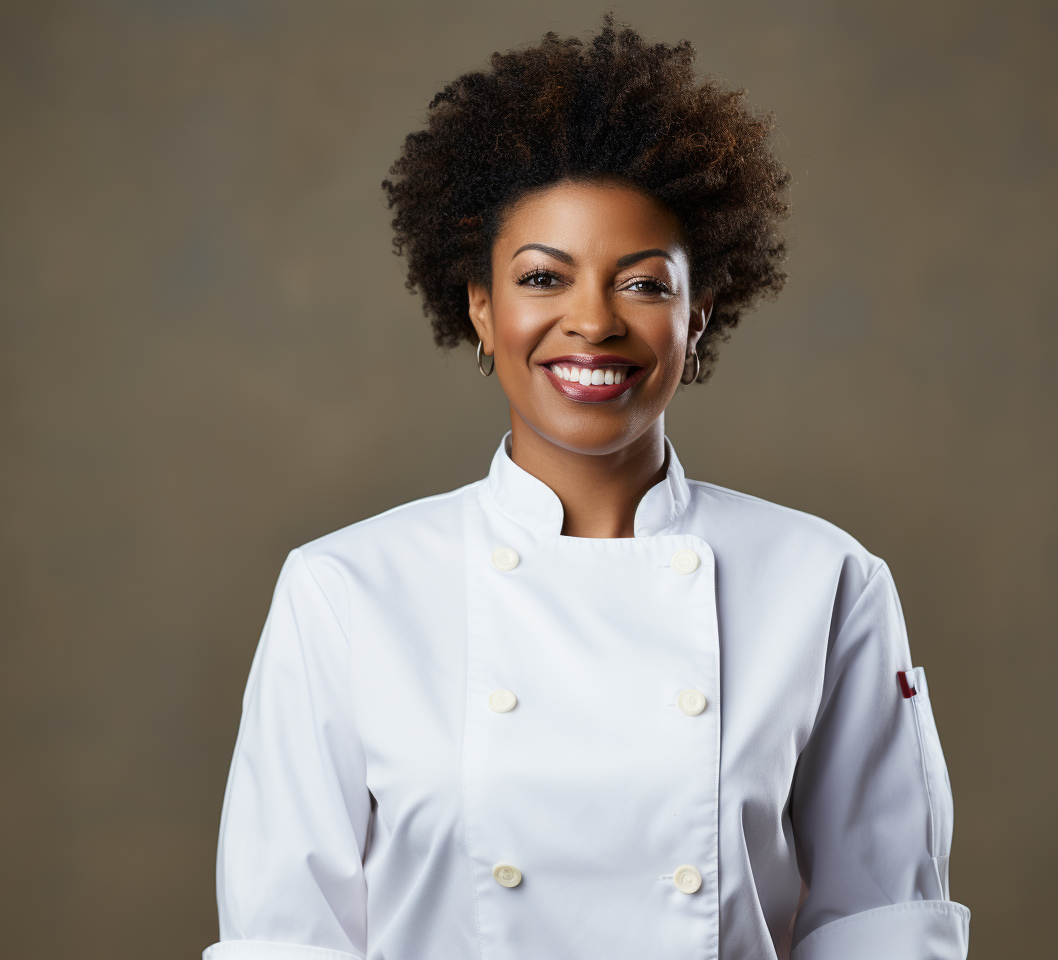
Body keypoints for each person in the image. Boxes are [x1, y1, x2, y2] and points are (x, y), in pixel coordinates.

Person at [204, 17, 969, 960]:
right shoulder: (344, 592)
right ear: (480, 308)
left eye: (644, 284)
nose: (592, 322)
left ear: (700, 315)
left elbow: (880, 929)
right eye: (542, 278)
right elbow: (287, 943)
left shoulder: (826, 582)